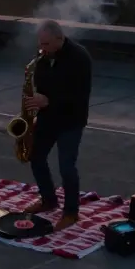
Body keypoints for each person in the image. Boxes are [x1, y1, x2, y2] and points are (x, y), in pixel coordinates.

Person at [22, 19, 92, 227]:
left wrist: (49, 100)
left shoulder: (80, 58)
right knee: (36, 156)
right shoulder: (43, 57)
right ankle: (48, 200)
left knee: (66, 166)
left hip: (71, 120)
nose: (41, 49)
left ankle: (71, 212)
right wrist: (35, 99)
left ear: (59, 39)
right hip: (48, 117)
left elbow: (79, 96)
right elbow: (42, 84)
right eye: (39, 44)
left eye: (45, 44)